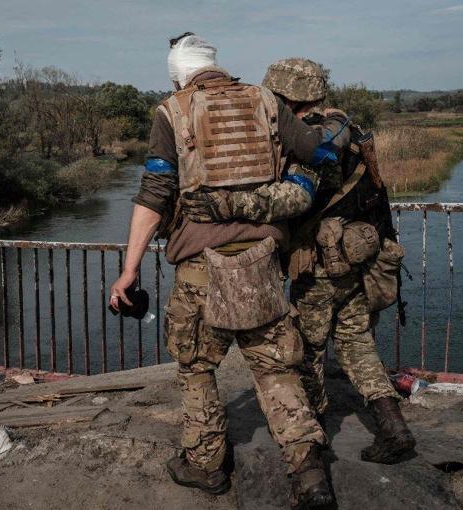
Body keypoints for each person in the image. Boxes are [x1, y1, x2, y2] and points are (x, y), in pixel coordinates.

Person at [110, 35, 347, 508]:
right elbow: (318, 153)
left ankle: (205, 465)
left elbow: (155, 195)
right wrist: (337, 129)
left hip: (202, 268)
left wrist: (128, 270)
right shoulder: (264, 100)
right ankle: (309, 472)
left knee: (197, 367)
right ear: (216, 66)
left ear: (179, 72)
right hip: (261, 262)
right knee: (276, 367)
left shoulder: (171, 111)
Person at [181, 58, 417, 465]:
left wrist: (227, 205)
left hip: (320, 264)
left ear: (288, 97)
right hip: (359, 259)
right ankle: (394, 426)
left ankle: (312, 439)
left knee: (303, 350)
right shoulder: (349, 130)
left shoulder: (311, 140)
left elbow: (297, 198)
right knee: (357, 341)